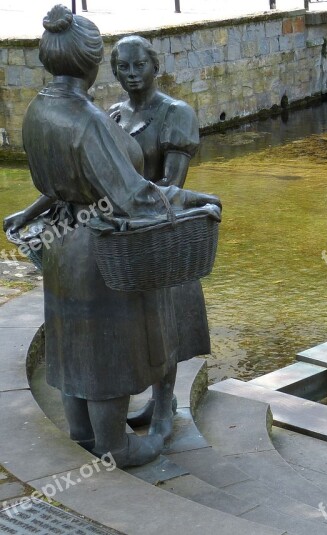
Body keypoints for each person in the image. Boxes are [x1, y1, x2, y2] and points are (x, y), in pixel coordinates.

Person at [4, 5, 219, 467]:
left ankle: (82, 433)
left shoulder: (38, 108)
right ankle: (116, 447)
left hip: (61, 238)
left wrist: (29, 214)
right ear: (95, 62)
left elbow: (54, 182)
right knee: (107, 344)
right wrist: (196, 201)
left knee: (70, 336)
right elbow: (134, 196)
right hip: (100, 243)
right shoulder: (92, 120)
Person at [107, 35, 209, 439]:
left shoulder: (175, 114)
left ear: (155, 67)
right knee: (138, 323)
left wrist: (130, 202)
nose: (132, 75)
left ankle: (166, 405)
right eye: (123, 68)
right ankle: (154, 398)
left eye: (139, 66)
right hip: (129, 233)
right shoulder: (113, 115)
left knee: (164, 322)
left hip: (164, 232)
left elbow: (172, 184)